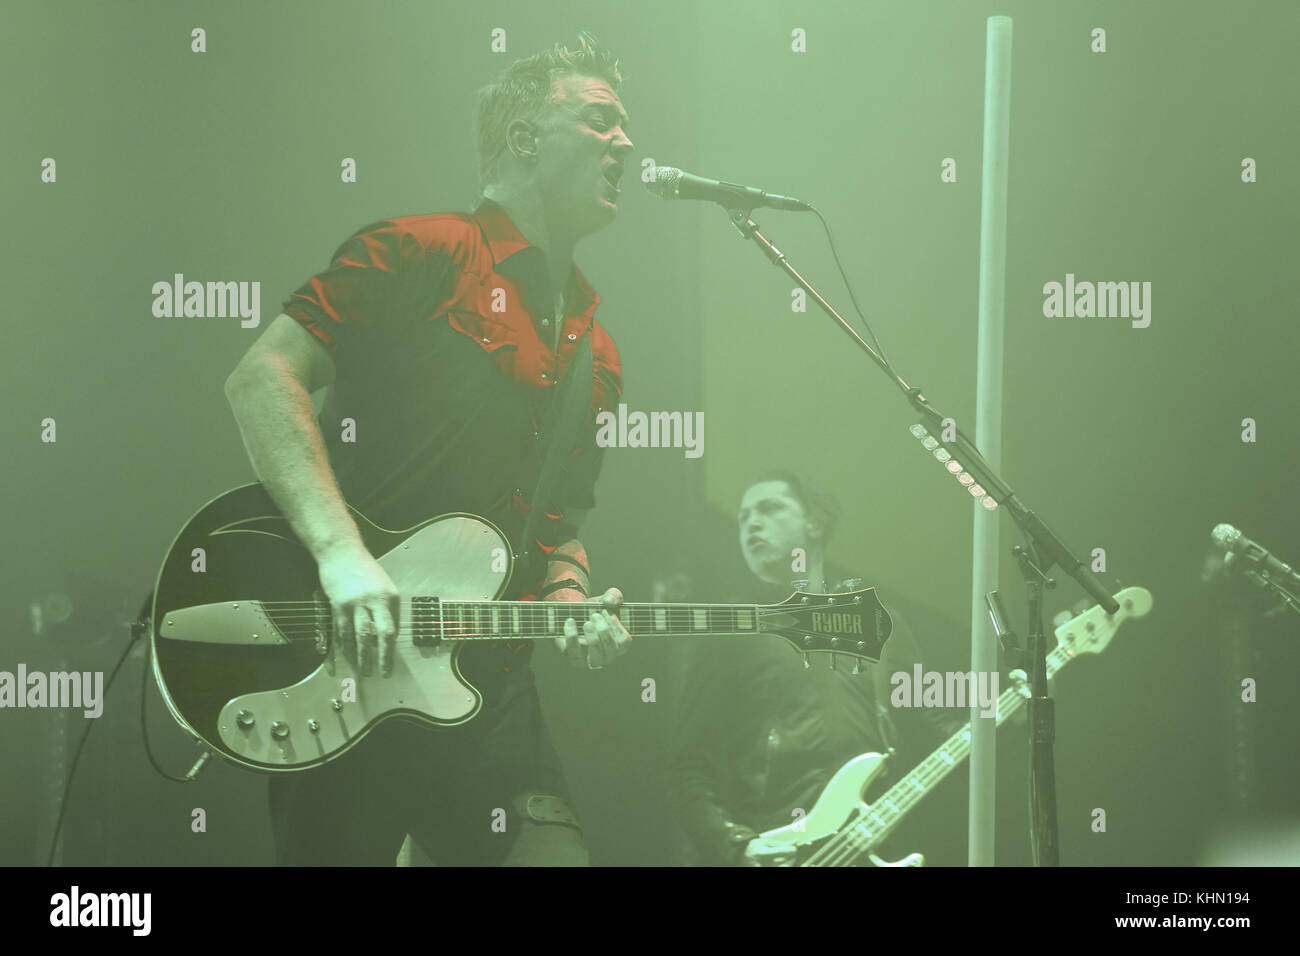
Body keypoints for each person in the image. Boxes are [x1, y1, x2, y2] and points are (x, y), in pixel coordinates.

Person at [222, 32, 635, 865]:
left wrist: (569, 591)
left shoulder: (600, 344)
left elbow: (558, 521)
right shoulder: (418, 250)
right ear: (525, 138)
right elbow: (262, 378)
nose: (625, 143)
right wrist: (343, 559)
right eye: (600, 121)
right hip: (349, 660)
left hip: (490, 682)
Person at [669, 470, 965, 865]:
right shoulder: (732, 633)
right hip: (778, 852)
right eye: (743, 517)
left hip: (870, 850)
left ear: (814, 523)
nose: (751, 523)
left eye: (769, 508)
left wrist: (1007, 711)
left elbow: (933, 724)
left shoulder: (877, 624)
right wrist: (739, 846)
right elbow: (688, 769)